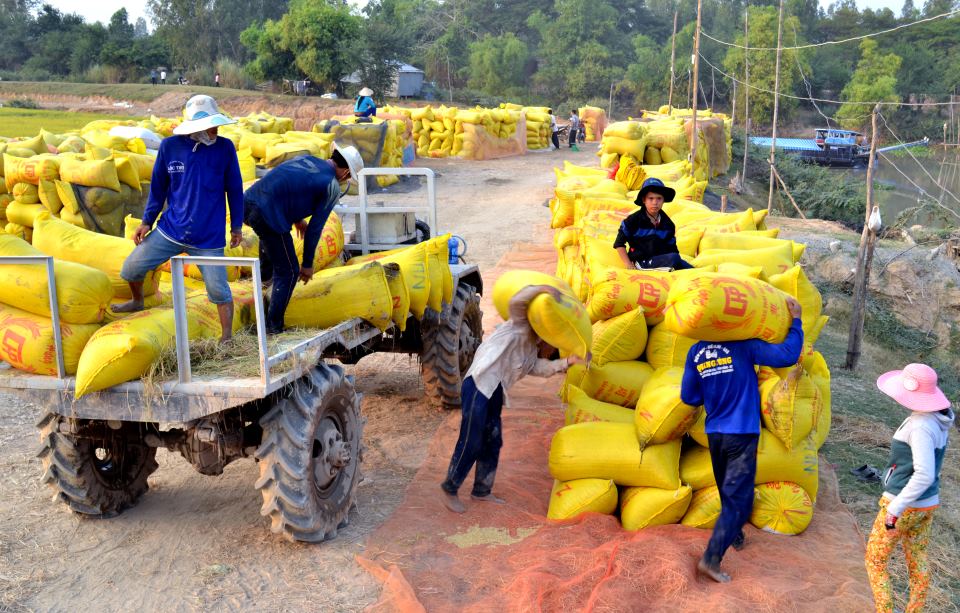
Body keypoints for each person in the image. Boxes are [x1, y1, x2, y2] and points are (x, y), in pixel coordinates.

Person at [680, 299, 804, 583]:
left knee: (728, 488)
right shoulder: (744, 344)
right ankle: (711, 558)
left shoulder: (695, 351)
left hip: (715, 433)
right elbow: (786, 355)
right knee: (740, 500)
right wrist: (795, 320)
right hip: (741, 433)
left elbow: (689, 397)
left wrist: (713, 385)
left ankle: (733, 534)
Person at [114, 95, 244, 343]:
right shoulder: (170, 147)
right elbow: (158, 188)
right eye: (211, 126)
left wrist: (236, 225)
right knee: (130, 269)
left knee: (218, 289)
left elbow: (235, 189)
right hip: (170, 230)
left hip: (208, 237)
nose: (216, 129)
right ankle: (137, 301)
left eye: (216, 124)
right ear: (196, 128)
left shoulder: (225, 148)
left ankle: (227, 337)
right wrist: (146, 222)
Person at [441, 285, 574, 513]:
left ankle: (482, 491)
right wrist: (543, 289)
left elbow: (542, 369)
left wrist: (567, 363)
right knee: (472, 439)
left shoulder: (531, 352)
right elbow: (517, 303)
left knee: (493, 441)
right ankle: (450, 487)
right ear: (547, 338)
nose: (552, 353)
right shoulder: (520, 329)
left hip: (494, 392)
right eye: (554, 349)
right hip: (478, 385)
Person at [242, 145, 364, 335]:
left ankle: (263, 287)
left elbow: (289, 186)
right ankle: (272, 327)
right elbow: (315, 229)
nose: (345, 180)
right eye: (348, 177)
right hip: (268, 214)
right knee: (289, 271)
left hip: (247, 203)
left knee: (271, 244)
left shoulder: (308, 160)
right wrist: (307, 264)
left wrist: (298, 220)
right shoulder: (331, 185)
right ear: (346, 172)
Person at [865, 363, 953, 612]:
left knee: (875, 560)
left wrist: (896, 507)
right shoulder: (937, 419)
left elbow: (924, 473)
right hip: (926, 504)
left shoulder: (921, 426)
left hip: (905, 504)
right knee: (918, 559)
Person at [613, 177, 692, 270]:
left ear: (663, 200)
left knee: (690, 268)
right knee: (674, 258)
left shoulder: (668, 224)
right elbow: (619, 244)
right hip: (641, 261)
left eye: (659, 198)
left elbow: (672, 249)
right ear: (644, 200)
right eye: (651, 198)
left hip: (660, 259)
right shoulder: (632, 221)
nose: (655, 202)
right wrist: (628, 264)